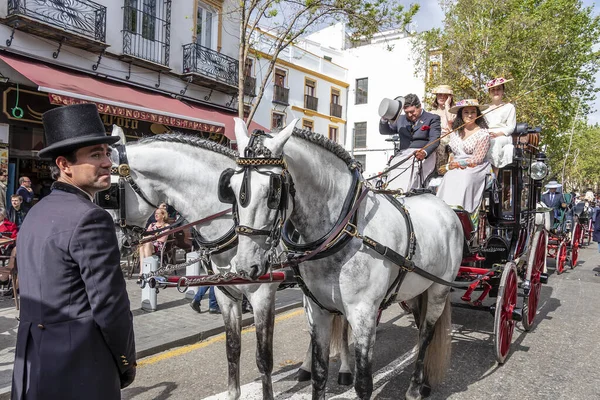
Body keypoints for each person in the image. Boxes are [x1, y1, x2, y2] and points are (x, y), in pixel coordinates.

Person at [12, 104, 136, 400]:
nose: (107, 162)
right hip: (79, 367)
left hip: (32, 365)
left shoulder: (36, 212)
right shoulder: (91, 218)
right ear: (64, 165)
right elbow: (110, 306)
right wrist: (126, 361)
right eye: (95, 154)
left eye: (107, 153)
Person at [436, 99, 491, 225]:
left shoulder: (483, 134)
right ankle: (444, 214)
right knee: (448, 178)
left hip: (475, 167)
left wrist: (460, 164)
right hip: (455, 167)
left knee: (465, 177)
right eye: (466, 112)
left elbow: (478, 158)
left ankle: (463, 215)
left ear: (477, 114)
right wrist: (451, 163)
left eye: (473, 112)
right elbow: (452, 152)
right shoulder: (455, 133)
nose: (470, 115)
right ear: (461, 114)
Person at [379, 94, 441, 191]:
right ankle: (391, 193)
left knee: (411, 174)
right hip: (402, 155)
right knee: (393, 167)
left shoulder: (432, 118)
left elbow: (435, 139)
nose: (409, 115)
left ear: (419, 106)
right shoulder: (401, 119)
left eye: (412, 112)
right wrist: (384, 118)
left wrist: (424, 152)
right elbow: (385, 131)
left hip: (422, 154)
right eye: (406, 112)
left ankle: (406, 192)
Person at [483, 77, 517, 172]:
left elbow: (511, 127)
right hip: (487, 134)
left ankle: (494, 175)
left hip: (503, 136)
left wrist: (498, 134)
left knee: (495, 142)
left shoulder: (509, 107)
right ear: (489, 93)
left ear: (503, 91)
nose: (496, 92)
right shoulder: (484, 108)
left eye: (498, 89)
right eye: (493, 90)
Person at [429, 85, 456, 170]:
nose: (441, 97)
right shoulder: (431, 112)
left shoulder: (454, 111)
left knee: (441, 145)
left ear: (449, 97)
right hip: (434, 138)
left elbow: (450, 120)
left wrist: (447, 105)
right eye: (439, 94)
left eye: (445, 95)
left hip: (449, 138)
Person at [139, 207, 170, 273]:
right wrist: (150, 237)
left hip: (158, 246)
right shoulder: (152, 225)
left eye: (158, 214)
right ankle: (142, 271)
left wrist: (150, 237)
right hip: (148, 244)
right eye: (155, 213)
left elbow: (162, 239)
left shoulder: (166, 226)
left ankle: (147, 271)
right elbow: (146, 235)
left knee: (147, 244)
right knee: (141, 246)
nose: (155, 215)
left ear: (163, 215)